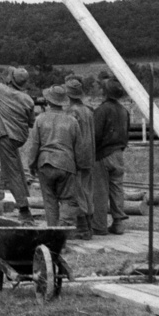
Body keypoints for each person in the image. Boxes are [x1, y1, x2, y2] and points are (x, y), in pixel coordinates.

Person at [0, 64, 36, 224]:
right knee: (16, 170)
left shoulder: (1, 90)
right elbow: (31, 122)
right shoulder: (28, 100)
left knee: (12, 174)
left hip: (6, 137)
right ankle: (25, 200)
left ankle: (24, 211)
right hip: (18, 138)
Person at [22, 85, 81, 227]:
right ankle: (65, 230)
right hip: (66, 164)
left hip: (45, 163)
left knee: (50, 201)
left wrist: (31, 165)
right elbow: (78, 147)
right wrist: (77, 166)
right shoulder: (72, 121)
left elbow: (34, 145)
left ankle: (53, 232)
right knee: (68, 199)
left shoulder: (40, 119)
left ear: (48, 101)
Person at [91, 78, 130, 235]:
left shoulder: (102, 110)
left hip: (103, 154)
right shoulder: (124, 111)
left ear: (105, 92)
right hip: (118, 153)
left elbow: (95, 135)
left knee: (99, 190)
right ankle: (118, 223)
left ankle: (99, 226)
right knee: (116, 188)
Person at [62, 75, 96, 238]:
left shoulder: (71, 112)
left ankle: (82, 228)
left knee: (77, 192)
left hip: (76, 157)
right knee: (87, 191)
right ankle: (88, 226)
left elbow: (69, 136)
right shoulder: (88, 111)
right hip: (89, 155)